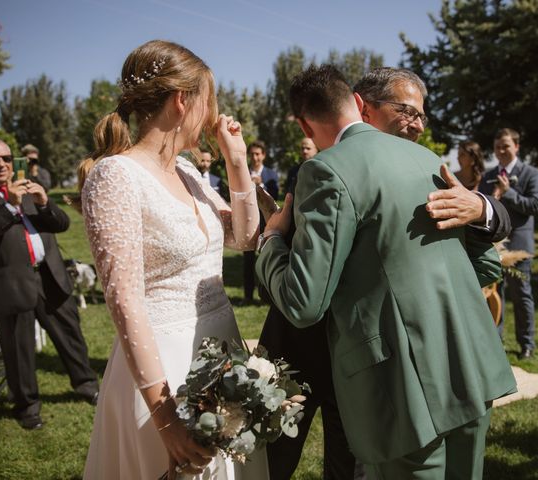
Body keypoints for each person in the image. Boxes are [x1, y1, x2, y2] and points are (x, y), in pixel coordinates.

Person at [255, 65, 516, 479]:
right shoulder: (428, 160)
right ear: (359, 104)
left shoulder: (325, 170)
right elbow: (484, 265)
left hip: (406, 388)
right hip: (470, 368)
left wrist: (270, 242)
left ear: (304, 124)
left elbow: (304, 302)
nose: (415, 122)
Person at [79, 40, 267, 479]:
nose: (213, 114)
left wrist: (237, 162)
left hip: (222, 351)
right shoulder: (116, 176)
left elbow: (245, 236)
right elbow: (124, 301)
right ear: (182, 101)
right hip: (165, 367)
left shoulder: (185, 171)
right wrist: (165, 417)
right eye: (209, 101)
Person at [258, 135, 358, 480]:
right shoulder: (293, 229)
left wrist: (271, 240)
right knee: (277, 452)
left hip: (341, 354)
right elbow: (268, 291)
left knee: (344, 458)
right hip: (294, 354)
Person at [0, 138, 99, 430]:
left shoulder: (25, 188)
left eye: (6, 158)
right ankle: (27, 406)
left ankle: (87, 384)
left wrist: (43, 203)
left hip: (49, 274)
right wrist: (9, 206)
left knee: (70, 334)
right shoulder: (8, 197)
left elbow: (61, 224)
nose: (0, 164)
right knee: (18, 347)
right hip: (12, 282)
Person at [354, 67, 510, 241]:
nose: (419, 127)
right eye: (407, 111)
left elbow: (481, 244)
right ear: (365, 110)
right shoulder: (334, 173)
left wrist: (480, 208)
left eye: (421, 117)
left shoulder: (432, 173)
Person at [479, 128, 538, 360]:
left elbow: (534, 205)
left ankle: (527, 344)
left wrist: (509, 192)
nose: (501, 151)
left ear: (516, 146)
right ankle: (495, 340)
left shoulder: (531, 174)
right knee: (494, 294)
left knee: (522, 294)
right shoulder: (488, 176)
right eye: (497, 147)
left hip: (519, 244)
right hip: (494, 244)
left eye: (506, 146)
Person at [242, 140, 278, 304]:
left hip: (266, 221)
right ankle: (248, 296)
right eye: (252, 154)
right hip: (248, 220)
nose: (255, 157)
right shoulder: (243, 172)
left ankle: (266, 295)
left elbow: (276, 195)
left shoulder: (271, 174)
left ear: (263, 155)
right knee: (248, 259)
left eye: (258, 154)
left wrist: (260, 184)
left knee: (266, 257)